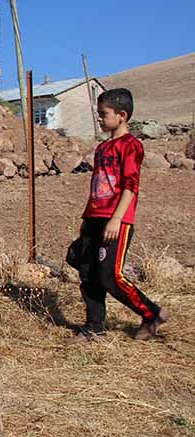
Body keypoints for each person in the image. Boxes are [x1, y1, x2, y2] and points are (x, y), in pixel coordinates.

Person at [65, 88, 169, 344]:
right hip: (94, 217)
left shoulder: (131, 146)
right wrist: (86, 218)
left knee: (110, 275)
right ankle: (94, 327)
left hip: (115, 220)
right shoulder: (102, 148)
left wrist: (117, 219)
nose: (99, 119)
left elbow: (130, 186)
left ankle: (152, 313)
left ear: (122, 115)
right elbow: (97, 186)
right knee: (85, 268)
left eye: (104, 114)